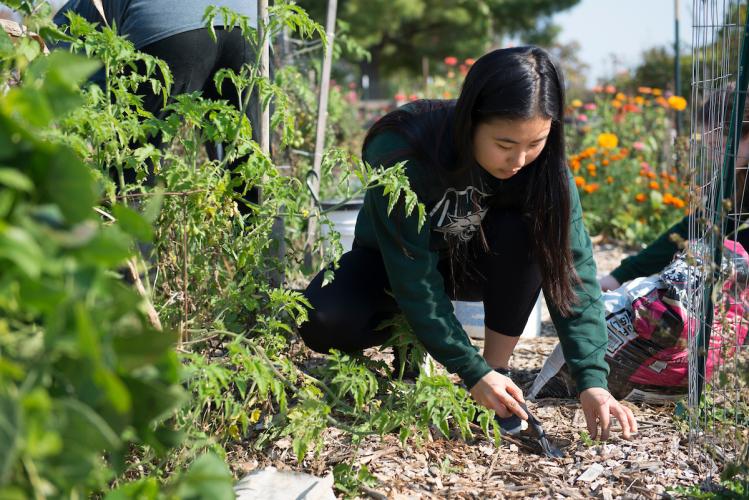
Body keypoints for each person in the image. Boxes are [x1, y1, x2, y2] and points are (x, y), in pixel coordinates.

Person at [298, 46, 637, 441]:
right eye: (505, 144)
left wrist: (591, 379)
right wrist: (468, 367)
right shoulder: (407, 149)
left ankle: (499, 372)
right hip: (391, 268)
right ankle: (421, 347)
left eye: (535, 142)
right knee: (321, 318)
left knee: (529, 231)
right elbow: (413, 277)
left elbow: (573, 270)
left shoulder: (545, 171)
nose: (519, 160)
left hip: (476, 267)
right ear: (470, 120)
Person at [53, 0, 259, 208]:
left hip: (166, 26)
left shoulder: (78, 11)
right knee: (252, 171)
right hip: (250, 25)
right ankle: (262, 235)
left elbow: (76, 78)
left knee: (131, 178)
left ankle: (130, 234)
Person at [600, 87, 749, 291]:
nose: (714, 157)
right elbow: (695, 227)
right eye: (709, 147)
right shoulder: (736, 175)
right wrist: (619, 277)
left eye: (720, 146)